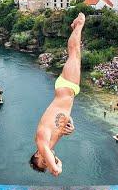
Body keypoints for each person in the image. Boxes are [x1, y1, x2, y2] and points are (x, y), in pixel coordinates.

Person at [30, 13, 85, 176]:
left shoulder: (41, 141)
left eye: (43, 162)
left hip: (65, 89)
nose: (47, 162)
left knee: (74, 51)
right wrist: (70, 127)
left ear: (37, 155)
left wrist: (56, 167)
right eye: (45, 165)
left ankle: (79, 24)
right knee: (76, 53)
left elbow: (55, 171)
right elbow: (63, 121)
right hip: (69, 91)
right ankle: (76, 27)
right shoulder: (51, 142)